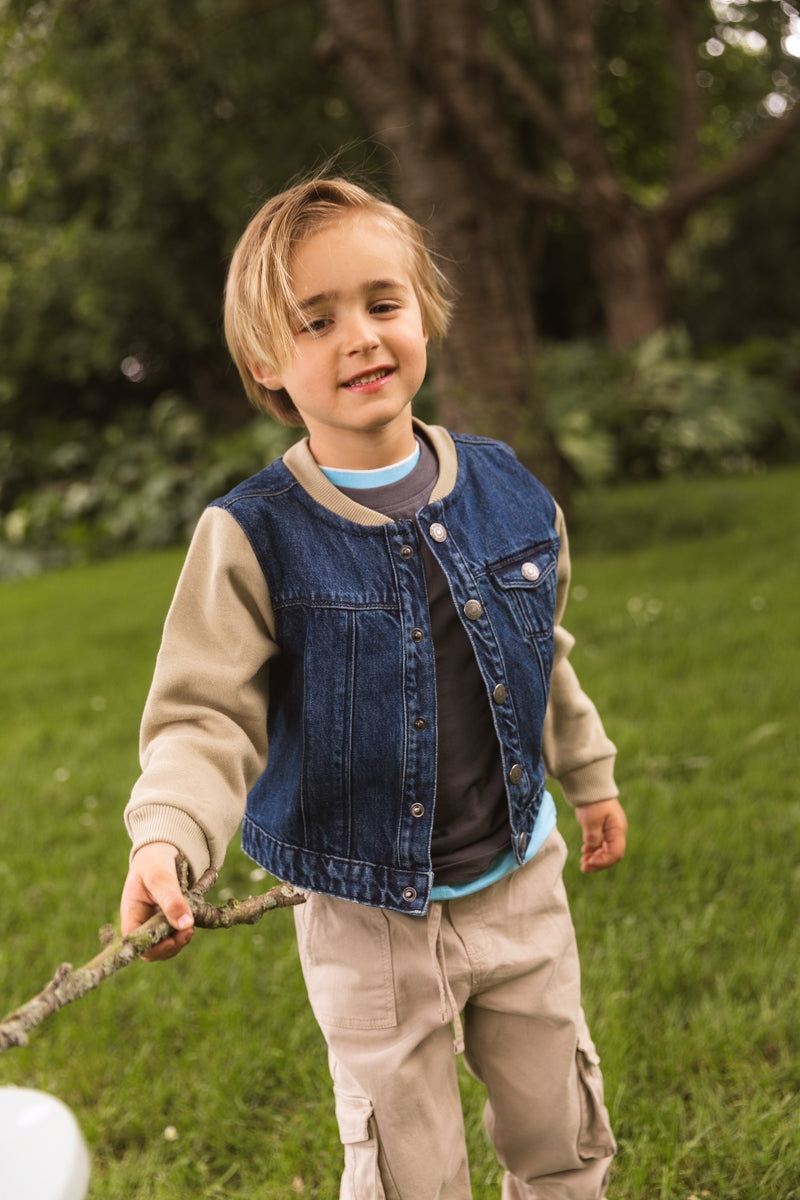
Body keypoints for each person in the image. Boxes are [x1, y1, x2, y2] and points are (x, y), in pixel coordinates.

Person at [120, 176, 627, 1200]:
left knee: (557, 1134)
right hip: (365, 923)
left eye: (381, 304)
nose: (359, 337)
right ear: (267, 359)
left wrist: (588, 775)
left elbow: (542, 654)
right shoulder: (252, 534)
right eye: (316, 321)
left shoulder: (506, 488)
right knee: (409, 1174)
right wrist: (166, 835)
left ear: (426, 313)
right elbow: (204, 713)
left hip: (518, 886)